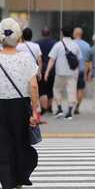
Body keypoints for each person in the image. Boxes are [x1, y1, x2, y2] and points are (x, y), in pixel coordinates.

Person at [0, 18, 39, 189]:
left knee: (3, 143)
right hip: (20, 106)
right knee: (20, 142)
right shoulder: (25, 58)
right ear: (18, 37)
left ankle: (6, 181)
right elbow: (33, 85)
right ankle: (18, 179)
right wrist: (34, 112)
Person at [44, 26, 82, 120]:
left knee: (57, 90)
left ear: (62, 33)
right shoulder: (75, 45)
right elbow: (79, 60)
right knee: (71, 92)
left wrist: (47, 72)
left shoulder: (58, 45)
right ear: (72, 33)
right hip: (72, 73)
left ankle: (59, 109)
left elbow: (52, 59)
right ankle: (69, 112)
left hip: (60, 73)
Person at [36, 28, 56, 114]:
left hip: (41, 68)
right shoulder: (54, 43)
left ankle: (44, 108)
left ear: (42, 33)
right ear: (49, 33)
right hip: (52, 69)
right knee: (50, 88)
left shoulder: (37, 43)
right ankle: (50, 107)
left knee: (42, 89)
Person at [73, 27, 90, 115]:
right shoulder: (87, 45)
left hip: (72, 71)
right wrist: (88, 72)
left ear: (75, 34)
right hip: (82, 70)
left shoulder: (71, 44)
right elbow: (89, 60)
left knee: (73, 89)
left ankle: (72, 105)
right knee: (81, 89)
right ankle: (77, 107)